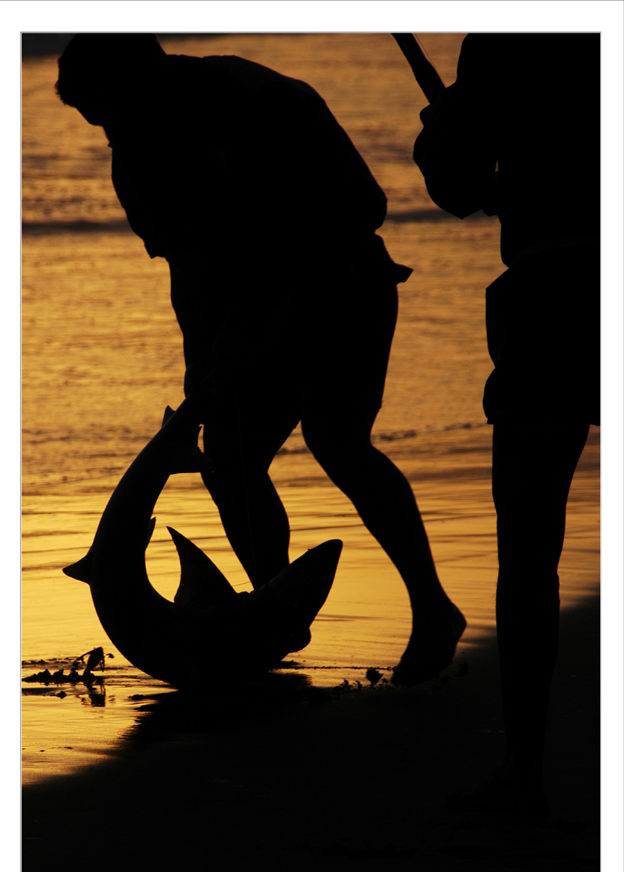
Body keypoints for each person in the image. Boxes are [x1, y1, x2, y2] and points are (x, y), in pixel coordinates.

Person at [56, 34, 466, 681]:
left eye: (110, 110)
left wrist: (279, 302)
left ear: (145, 75)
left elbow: (364, 206)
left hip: (341, 285)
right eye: (96, 122)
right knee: (228, 458)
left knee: (339, 442)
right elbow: (186, 267)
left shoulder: (259, 97)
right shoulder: (134, 155)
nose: (111, 132)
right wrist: (202, 367)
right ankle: (276, 605)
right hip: (241, 318)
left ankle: (432, 609)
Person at [412, 33, 599, 813]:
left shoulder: (504, 43)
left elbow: (458, 184)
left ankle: (524, 772)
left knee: (528, 548)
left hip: (552, 293)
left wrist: (444, 128)